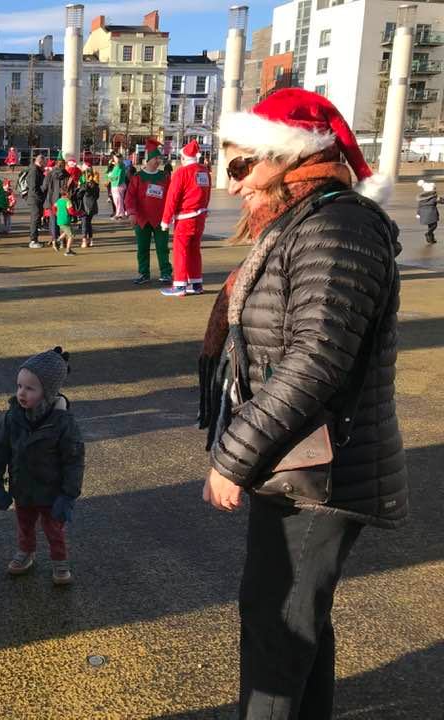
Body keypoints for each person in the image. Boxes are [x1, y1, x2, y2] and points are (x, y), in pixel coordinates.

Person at [200, 88, 404, 718]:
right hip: (300, 461)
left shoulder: (337, 225)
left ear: (288, 157)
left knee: (278, 633)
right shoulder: (305, 223)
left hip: (319, 470)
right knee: (293, 624)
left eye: (241, 166)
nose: (232, 184)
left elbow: (317, 359)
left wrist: (233, 457)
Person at [0, 347, 83, 585]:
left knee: (54, 529)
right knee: (25, 524)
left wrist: (68, 495)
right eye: (19, 386)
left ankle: (59, 561)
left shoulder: (63, 422)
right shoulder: (12, 417)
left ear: (47, 392)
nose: (21, 392)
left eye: (30, 388)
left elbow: (74, 460)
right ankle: (26, 551)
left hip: (52, 492)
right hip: (23, 487)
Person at [161, 139, 212, 297]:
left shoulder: (181, 173)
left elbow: (172, 198)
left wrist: (166, 219)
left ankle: (180, 284)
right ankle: (196, 283)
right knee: (194, 250)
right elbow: (207, 194)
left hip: (185, 217)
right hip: (200, 216)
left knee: (181, 250)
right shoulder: (204, 172)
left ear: (183, 158)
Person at [125, 139, 172, 285]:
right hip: (142, 219)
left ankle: (166, 273)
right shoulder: (138, 177)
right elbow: (130, 197)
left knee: (162, 248)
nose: (158, 161)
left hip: (161, 219)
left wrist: (172, 213)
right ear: (148, 160)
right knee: (142, 248)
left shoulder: (164, 177)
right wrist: (132, 213)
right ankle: (143, 273)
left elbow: (171, 196)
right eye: (156, 158)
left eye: (159, 158)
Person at [43, 159, 68, 246]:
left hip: (51, 200)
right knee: (63, 221)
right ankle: (62, 241)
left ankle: (54, 239)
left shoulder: (49, 174)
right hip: (63, 201)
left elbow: (44, 187)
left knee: (53, 221)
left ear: (56, 165)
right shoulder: (67, 175)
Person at [28, 155, 46, 248]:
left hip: (35, 198)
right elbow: (33, 187)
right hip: (35, 198)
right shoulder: (34, 171)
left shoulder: (36, 170)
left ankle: (34, 239)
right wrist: (40, 196)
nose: (45, 165)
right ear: (40, 162)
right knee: (35, 219)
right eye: (44, 163)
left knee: (36, 218)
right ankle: (33, 240)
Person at [416, 179, 441, 244]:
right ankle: (428, 233)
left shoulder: (421, 198)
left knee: (430, 226)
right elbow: (441, 201)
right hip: (431, 212)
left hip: (424, 213)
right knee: (434, 225)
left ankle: (431, 239)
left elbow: (419, 206)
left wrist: (418, 213)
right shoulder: (434, 197)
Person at [81, 169, 100, 248]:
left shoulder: (85, 185)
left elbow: (79, 194)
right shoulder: (96, 185)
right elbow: (97, 197)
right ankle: (91, 240)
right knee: (88, 223)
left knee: (84, 224)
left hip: (85, 206)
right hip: (93, 206)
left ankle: (84, 241)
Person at [53, 189, 76, 256]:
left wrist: (56, 213)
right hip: (65, 220)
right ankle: (68, 251)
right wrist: (78, 213)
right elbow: (71, 211)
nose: (70, 194)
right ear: (66, 194)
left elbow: (53, 207)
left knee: (67, 232)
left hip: (60, 220)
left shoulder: (59, 200)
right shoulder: (67, 201)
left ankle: (57, 241)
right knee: (71, 235)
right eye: (69, 193)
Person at [108, 154, 126, 219]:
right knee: (117, 200)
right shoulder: (116, 166)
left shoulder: (120, 165)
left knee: (118, 200)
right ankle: (121, 213)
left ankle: (119, 214)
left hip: (118, 185)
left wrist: (111, 177)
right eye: (115, 158)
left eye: (116, 158)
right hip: (115, 184)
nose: (115, 160)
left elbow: (116, 176)